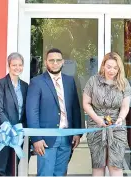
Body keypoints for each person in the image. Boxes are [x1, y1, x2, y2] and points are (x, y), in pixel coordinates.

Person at [26, 48, 82, 176]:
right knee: (45, 174)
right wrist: (36, 138)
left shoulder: (69, 81)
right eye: (51, 60)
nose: (55, 63)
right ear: (46, 62)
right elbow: (32, 112)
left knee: (60, 174)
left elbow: (75, 108)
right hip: (46, 139)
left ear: (63, 62)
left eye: (58, 60)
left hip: (67, 137)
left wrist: (77, 132)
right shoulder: (37, 82)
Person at [83, 52, 131, 176]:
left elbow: (125, 106)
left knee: (115, 165)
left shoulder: (124, 82)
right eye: (109, 66)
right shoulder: (93, 81)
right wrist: (97, 119)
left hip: (117, 126)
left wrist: (121, 118)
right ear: (103, 65)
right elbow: (86, 104)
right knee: (98, 165)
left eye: (115, 68)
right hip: (96, 125)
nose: (112, 70)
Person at [0, 52, 28, 176]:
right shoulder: (0, 84)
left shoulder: (25, 86)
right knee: (0, 171)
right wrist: (10, 129)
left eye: (20, 65)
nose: (17, 68)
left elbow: (26, 111)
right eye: (14, 65)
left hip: (17, 136)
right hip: (2, 134)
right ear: (8, 66)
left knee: (12, 171)